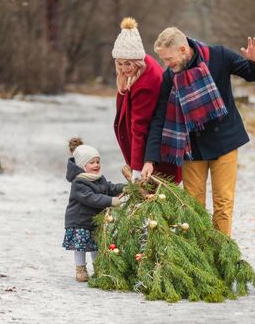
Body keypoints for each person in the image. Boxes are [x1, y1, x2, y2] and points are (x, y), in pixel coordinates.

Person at [141, 27, 255, 237]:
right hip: (193, 147)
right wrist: (150, 159)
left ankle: (221, 255)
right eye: (163, 60)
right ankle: (201, 258)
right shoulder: (170, 77)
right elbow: (159, 118)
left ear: (183, 49)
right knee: (193, 207)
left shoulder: (218, 56)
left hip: (224, 142)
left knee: (223, 204)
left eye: (168, 58)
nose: (166, 65)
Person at [112, 17, 181, 183]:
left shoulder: (146, 82)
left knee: (156, 196)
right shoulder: (137, 70)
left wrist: (136, 168)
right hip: (148, 151)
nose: (123, 68)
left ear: (137, 60)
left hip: (154, 155)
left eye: (128, 63)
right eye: (120, 64)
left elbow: (140, 127)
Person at [62, 138, 125, 282]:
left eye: (98, 161)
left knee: (96, 246)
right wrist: (112, 201)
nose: (96, 165)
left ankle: (99, 268)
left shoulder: (98, 178)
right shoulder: (79, 182)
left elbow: (109, 188)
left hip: (94, 220)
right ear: (82, 165)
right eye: (92, 162)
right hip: (80, 221)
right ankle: (80, 269)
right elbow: (92, 198)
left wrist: (123, 187)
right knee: (81, 247)